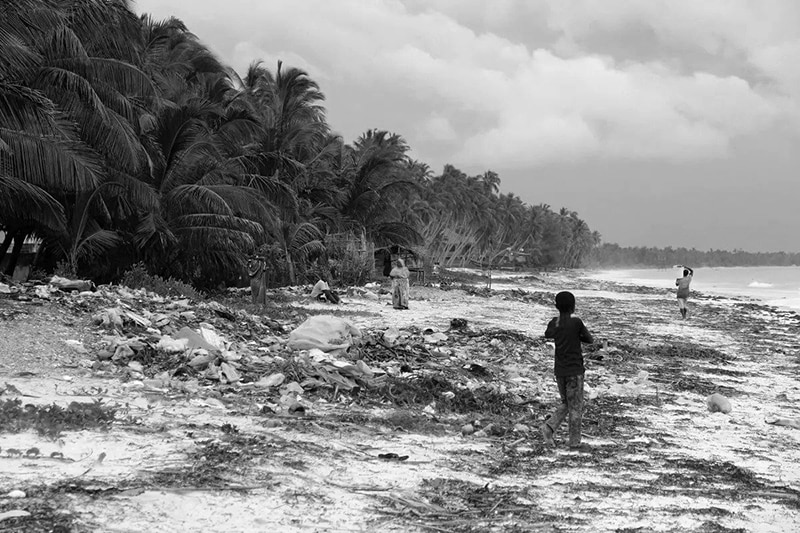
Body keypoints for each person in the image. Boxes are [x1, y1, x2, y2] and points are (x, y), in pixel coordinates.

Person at [541, 291, 594, 450]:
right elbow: (589, 340)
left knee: (566, 403)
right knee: (575, 407)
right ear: (573, 306)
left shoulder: (554, 323)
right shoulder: (576, 322)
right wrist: (577, 336)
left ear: (557, 306)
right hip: (575, 370)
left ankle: (549, 428)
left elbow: (548, 334)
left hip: (560, 371)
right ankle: (574, 442)